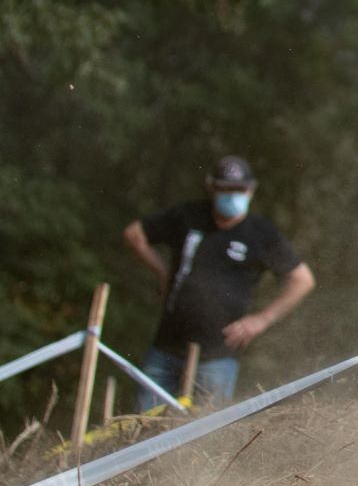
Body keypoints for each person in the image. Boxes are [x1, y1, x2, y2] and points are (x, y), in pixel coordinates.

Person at [121, 156, 315, 407]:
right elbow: (134, 234)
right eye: (225, 189)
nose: (232, 195)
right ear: (211, 187)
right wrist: (163, 273)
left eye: (239, 189)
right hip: (167, 347)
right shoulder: (188, 216)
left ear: (250, 189)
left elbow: (302, 279)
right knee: (142, 429)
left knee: (206, 432)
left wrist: (261, 320)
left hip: (219, 354)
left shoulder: (260, 233)